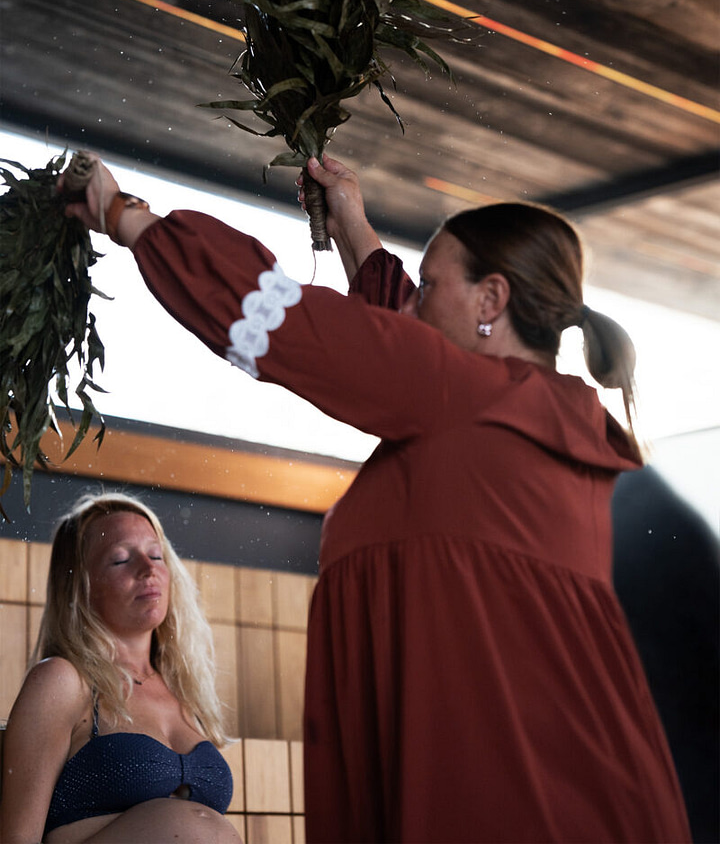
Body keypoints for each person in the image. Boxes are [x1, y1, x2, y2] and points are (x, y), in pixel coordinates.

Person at [59, 153, 691, 843]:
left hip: (495, 787)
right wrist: (356, 231)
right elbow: (398, 337)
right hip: (598, 788)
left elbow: (286, 324)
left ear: (491, 301)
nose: (413, 303)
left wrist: (126, 217)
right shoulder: (570, 430)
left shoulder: (457, 395)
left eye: (431, 285)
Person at [0, 492, 241, 844]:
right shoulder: (62, 681)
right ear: (81, 588)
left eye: (157, 555)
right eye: (120, 560)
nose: (148, 569)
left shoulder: (184, 692)